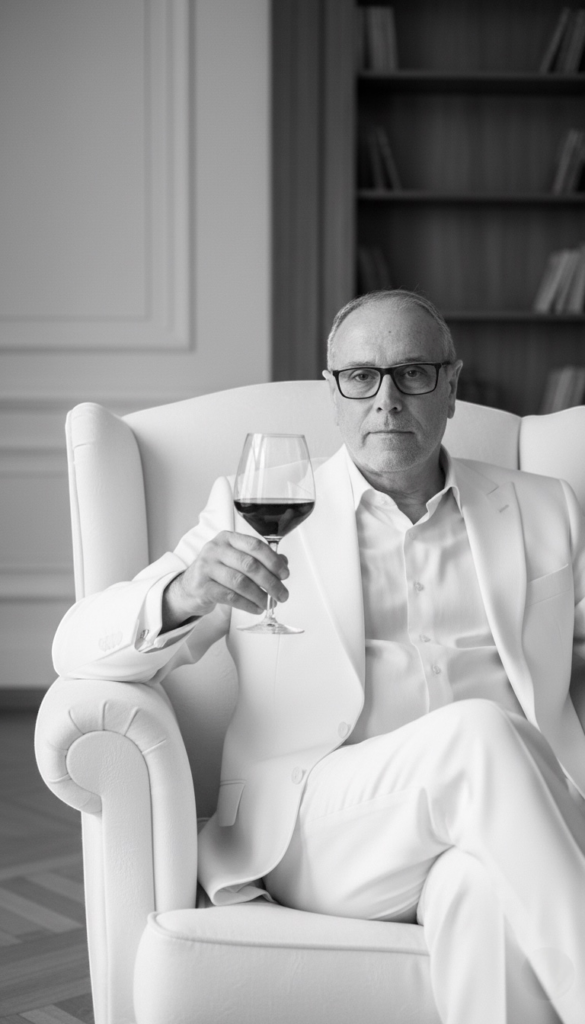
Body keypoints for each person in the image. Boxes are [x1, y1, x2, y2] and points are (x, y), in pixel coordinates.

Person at [53, 290, 585, 1024]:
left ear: (452, 385)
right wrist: (185, 593)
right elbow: (75, 644)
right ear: (332, 393)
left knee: (484, 895)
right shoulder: (255, 510)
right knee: (480, 732)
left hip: (505, 819)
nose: (386, 400)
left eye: (413, 373)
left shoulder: (547, 507)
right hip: (319, 827)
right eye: (361, 377)